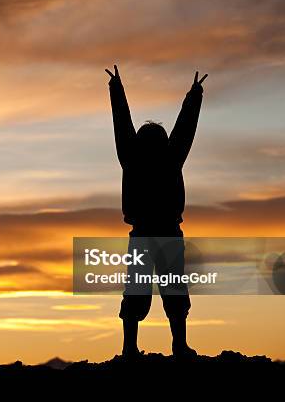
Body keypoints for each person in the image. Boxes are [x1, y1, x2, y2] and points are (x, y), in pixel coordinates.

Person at [105, 64, 207, 359]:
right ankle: (169, 345)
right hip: (162, 233)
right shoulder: (166, 158)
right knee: (169, 291)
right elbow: (184, 129)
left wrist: (117, 89)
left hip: (148, 233)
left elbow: (123, 126)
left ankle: (133, 348)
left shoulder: (137, 159)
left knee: (144, 291)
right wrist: (194, 95)